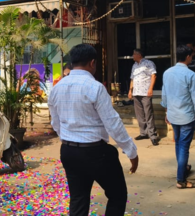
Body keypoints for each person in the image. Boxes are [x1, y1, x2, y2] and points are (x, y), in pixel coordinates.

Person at [48, 44, 138, 216]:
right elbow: (112, 123)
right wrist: (131, 151)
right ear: (92, 63)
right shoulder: (95, 87)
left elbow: (56, 122)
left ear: (73, 63)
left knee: (78, 199)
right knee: (117, 195)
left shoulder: (57, 88)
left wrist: (68, 139)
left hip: (68, 150)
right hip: (95, 151)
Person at [161, 45, 195, 189]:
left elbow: (164, 94)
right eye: (191, 56)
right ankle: (181, 179)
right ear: (188, 57)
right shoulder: (191, 74)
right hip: (186, 115)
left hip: (173, 114)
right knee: (184, 146)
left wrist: (166, 111)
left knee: (179, 143)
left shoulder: (167, 72)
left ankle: (183, 168)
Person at [128, 49, 159, 145]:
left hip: (145, 92)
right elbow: (132, 79)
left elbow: (154, 76)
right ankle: (143, 133)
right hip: (136, 93)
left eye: (134, 54)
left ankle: (152, 135)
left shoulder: (148, 63)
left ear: (139, 55)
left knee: (148, 113)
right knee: (139, 114)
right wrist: (130, 91)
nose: (133, 56)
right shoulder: (134, 66)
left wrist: (150, 89)